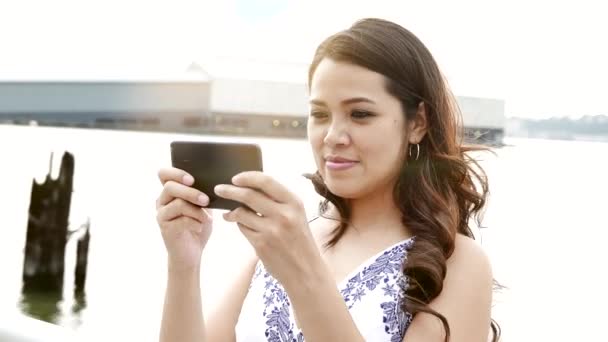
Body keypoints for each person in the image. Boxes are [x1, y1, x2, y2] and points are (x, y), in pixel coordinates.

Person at [155, 18, 500, 342]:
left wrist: (302, 273)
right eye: (320, 114)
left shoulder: (459, 264)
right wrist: (184, 264)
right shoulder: (283, 242)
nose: (332, 136)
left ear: (418, 123)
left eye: (360, 114)